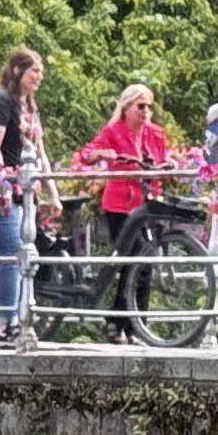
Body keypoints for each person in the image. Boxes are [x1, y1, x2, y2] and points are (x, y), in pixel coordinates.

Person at [80, 82, 174, 341]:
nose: (146, 112)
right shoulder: (113, 131)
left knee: (137, 265)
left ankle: (121, 322)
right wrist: (100, 154)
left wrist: (169, 165)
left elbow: (161, 161)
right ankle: (133, 325)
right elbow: (87, 153)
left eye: (149, 107)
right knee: (138, 260)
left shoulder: (155, 133)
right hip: (120, 207)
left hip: (146, 205)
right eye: (140, 106)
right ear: (126, 107)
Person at [0, 47, 45, 343]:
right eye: (35, 71)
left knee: (8, 256)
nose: (39, 77)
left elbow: (40, 149)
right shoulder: (0, 101)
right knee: (13, 251)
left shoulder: (28, 105)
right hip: (2, 189)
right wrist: (1, 187)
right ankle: (8, 320)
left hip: (23, 189)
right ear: (18, 71)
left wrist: (50, 191)